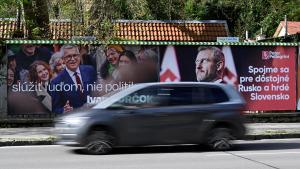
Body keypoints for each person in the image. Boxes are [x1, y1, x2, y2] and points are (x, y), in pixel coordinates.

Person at [50, 45, 96, 114]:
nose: (72, 59)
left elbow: (98, 94)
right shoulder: (56, 82)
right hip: (74, 120)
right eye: (68, 56)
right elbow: (55, 109)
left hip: (93, 117)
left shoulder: (90, 70)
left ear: (79, 56)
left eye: (75, 55)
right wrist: (63, 110)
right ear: (63, 59)